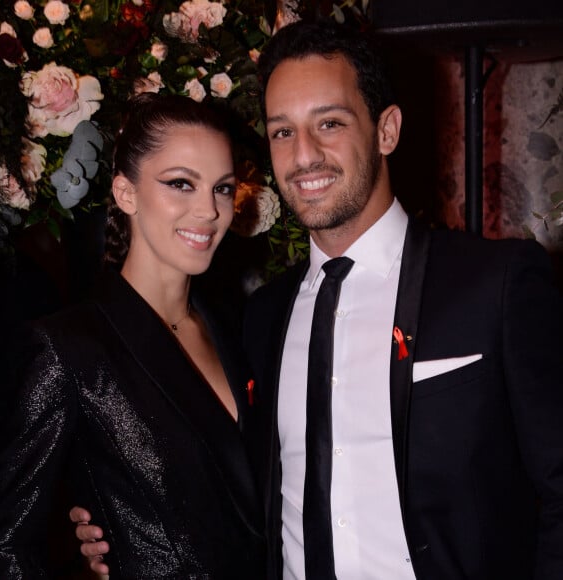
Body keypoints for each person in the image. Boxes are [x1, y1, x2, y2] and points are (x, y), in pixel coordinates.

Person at [73, 18, 563, 580]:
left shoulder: (493, 284)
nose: (303, 155)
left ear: (387, 130)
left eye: (329, 123)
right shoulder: (260, 319)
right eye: (283, 131)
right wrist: (117, 523)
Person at [0, 92, 265, 578]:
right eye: (181, 184)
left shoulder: (243, 329)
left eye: (221, 188)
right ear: (125, 193)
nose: (209, 211)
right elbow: (4, 548)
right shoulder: (69, 348)